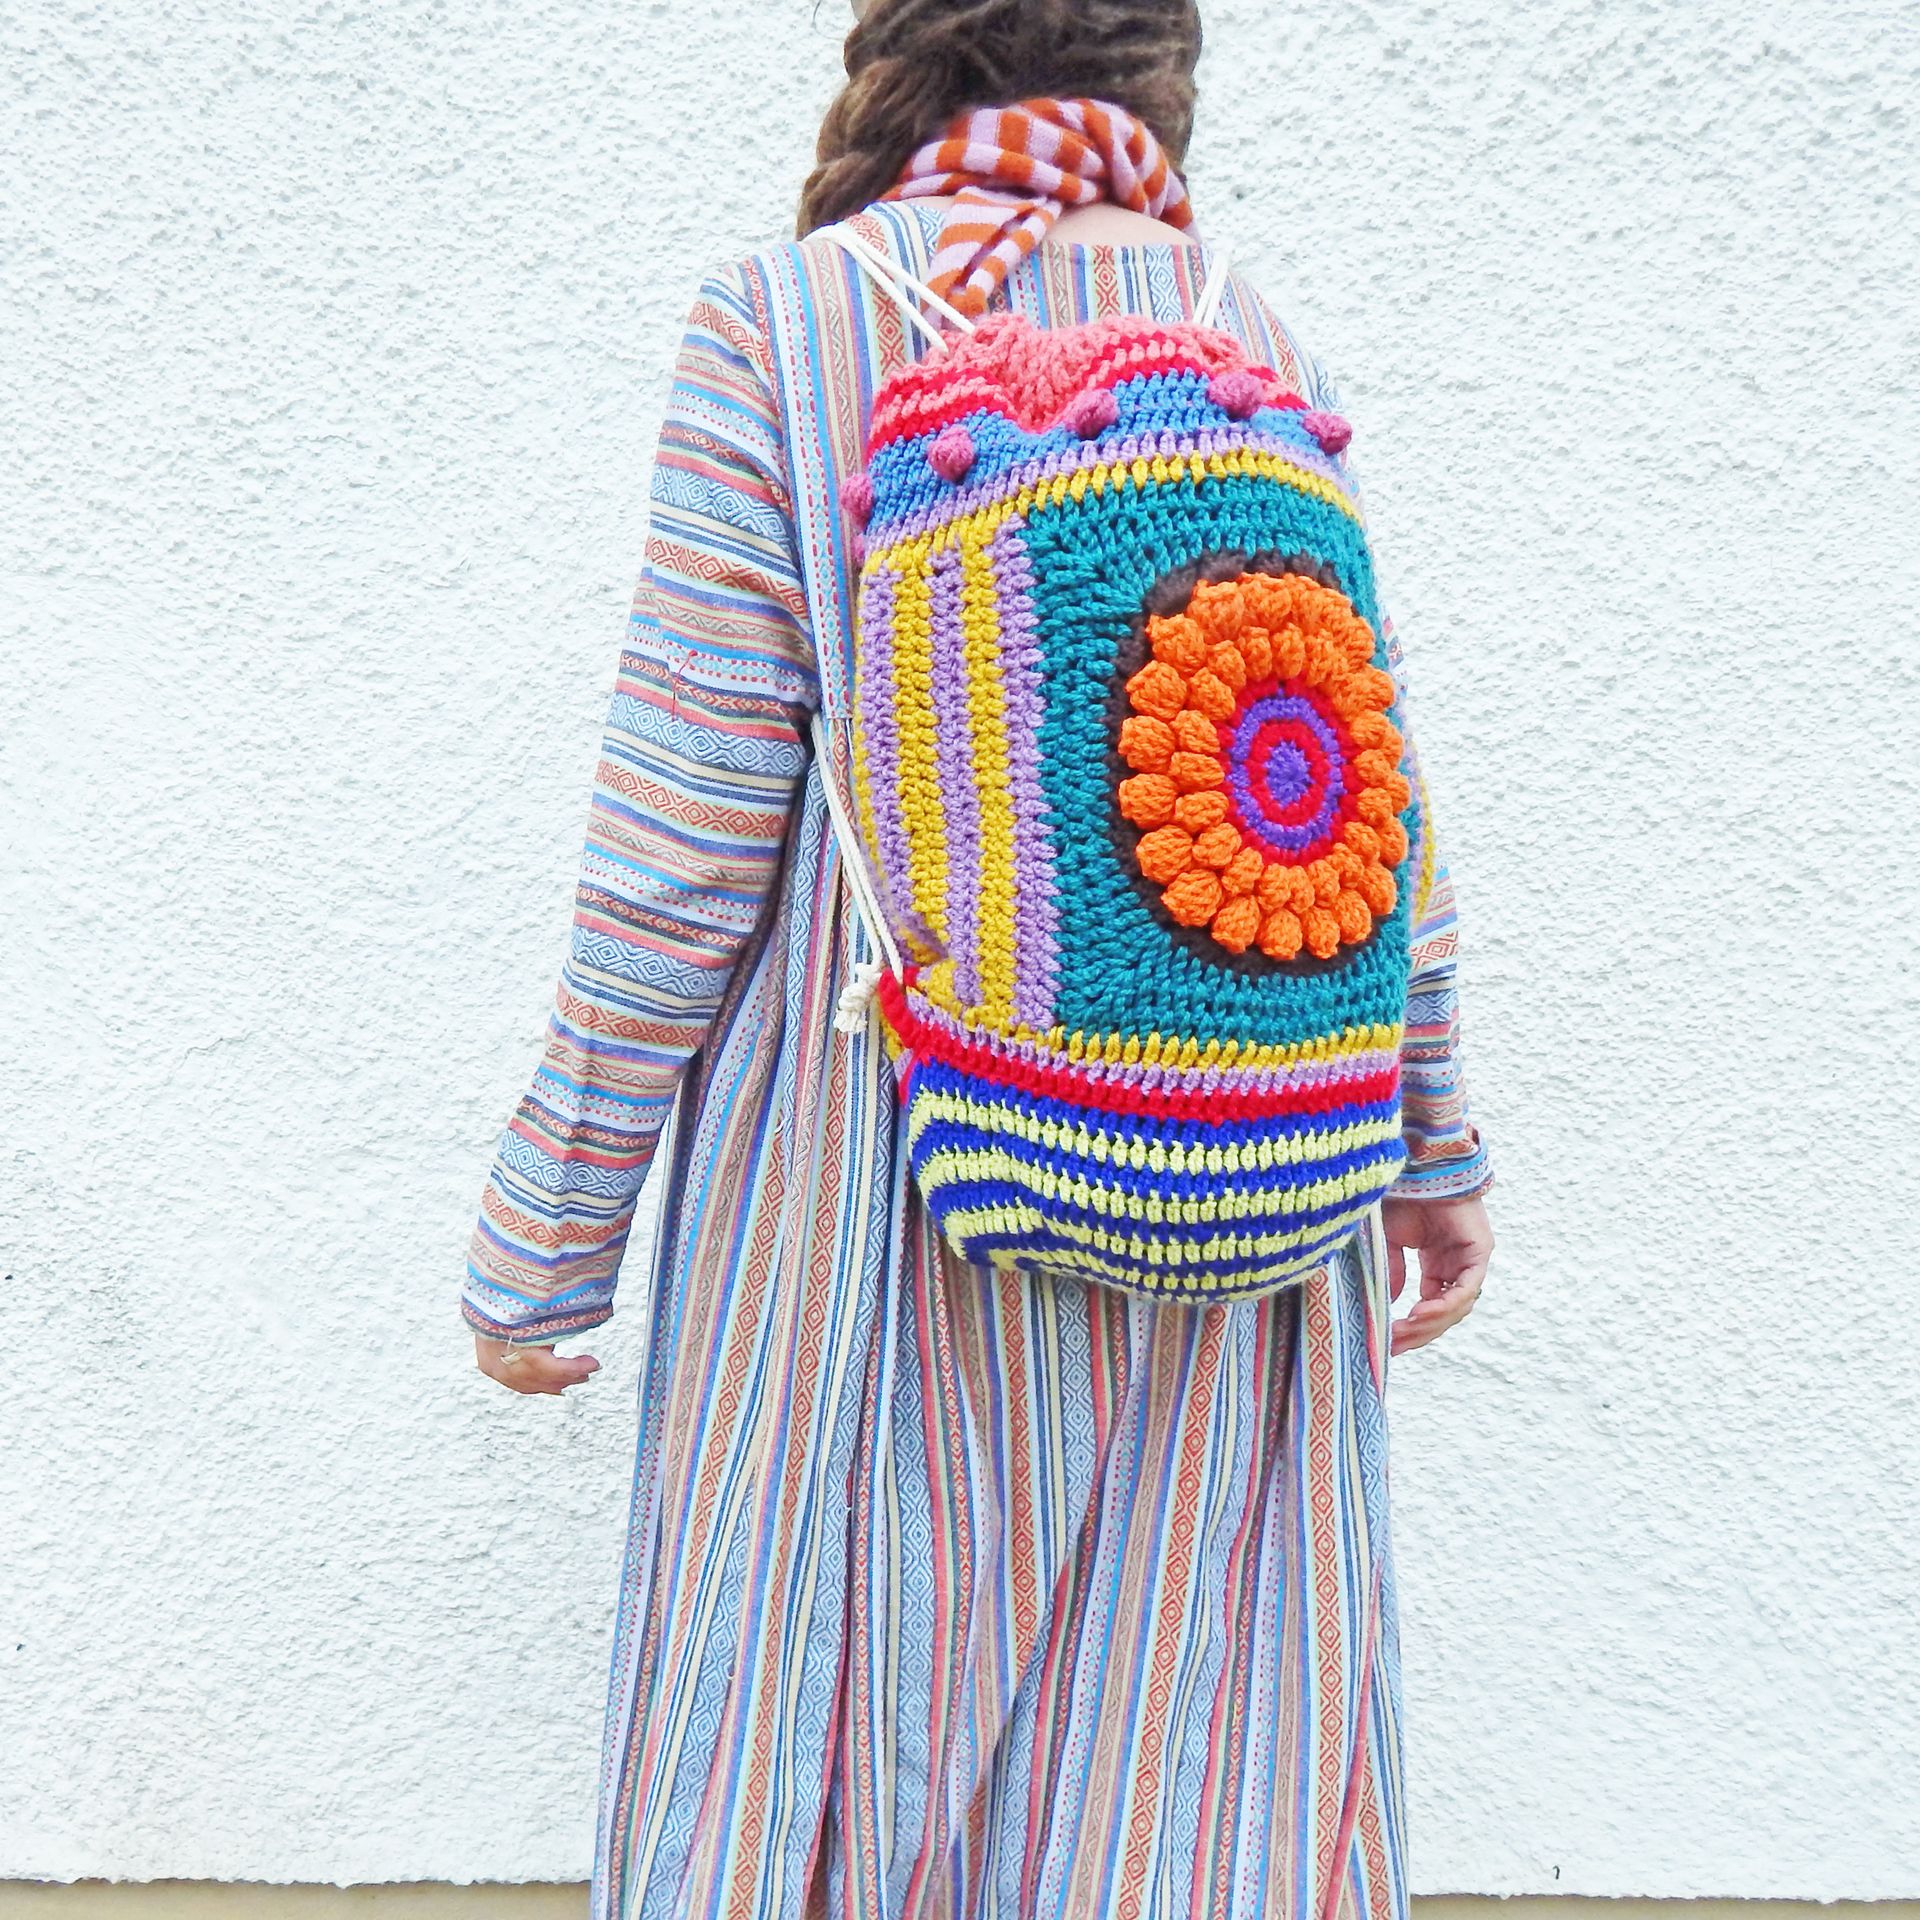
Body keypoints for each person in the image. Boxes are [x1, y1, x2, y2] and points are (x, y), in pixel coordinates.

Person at [463, 3, 1494, 1915]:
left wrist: (551, 1224)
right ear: (1154, 62)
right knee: (1187, 1786)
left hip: (875, 1200)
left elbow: (682, 834)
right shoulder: (1258, 335)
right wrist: (1431, 1140)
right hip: (1241, 1191)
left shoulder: (789, 327)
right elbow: (1369, 784)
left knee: (836, 1760)